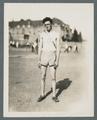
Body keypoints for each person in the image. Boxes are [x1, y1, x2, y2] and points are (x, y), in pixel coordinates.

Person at [38, 17, 60, 102]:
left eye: (48, 24)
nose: (47, 26)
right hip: (44, 56)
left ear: (51, 24)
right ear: (44, 25)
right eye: (45, 24)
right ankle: (42, 94)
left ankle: (54, 95)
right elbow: (40, 47)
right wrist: (39, 59)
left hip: (52, 56)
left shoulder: (56, 34)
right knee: (42, 76)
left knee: (53, 77)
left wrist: (57, 60)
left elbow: (58, 48)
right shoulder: (41, 34)